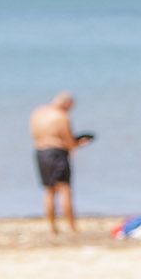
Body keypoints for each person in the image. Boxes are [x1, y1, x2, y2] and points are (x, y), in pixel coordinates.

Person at [29, 93, 91, 235]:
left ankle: (52, 227)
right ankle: (72, 227)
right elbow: (69, 142)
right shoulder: (61, 116)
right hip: (57, 153)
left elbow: (34, 134)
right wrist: (79, 143)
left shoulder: (38, 113)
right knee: (65, 190)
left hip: (40, 151)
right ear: (67, 104)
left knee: (49, 191)